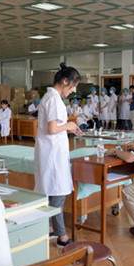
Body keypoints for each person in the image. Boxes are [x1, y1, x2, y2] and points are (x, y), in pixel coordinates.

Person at [34, 63, 82, 248]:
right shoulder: (53, 99)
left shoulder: (50, 97)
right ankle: (62, 236)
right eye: (73, 86)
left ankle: (49, 229)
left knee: (51, 192)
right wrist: (68, 125)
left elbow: (54, 128)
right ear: (64, 81)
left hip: (51, 152)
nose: (74, 90)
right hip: (52, 154)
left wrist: (69, 128)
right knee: (58, 194)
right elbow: (53, 129)